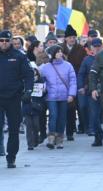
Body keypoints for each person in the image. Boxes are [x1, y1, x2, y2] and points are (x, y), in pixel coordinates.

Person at [0, 30, 34, 167]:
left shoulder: (19, 56)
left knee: (14, 129)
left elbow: (29, 74)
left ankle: (11, 157)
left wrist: (29, 90)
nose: (3, 43)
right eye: (1, 40)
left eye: (6, 41)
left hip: (14, 97)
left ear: (11, 42)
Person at [39, 45, 77, 149]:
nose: (60, 53)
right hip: (51, 96)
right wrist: (44, 88)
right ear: (52, 54)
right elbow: (40, 80)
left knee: (62, 117)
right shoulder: (45, 67)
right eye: (57, 52)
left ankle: (60, 138)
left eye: (61, 51)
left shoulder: (68, 65)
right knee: (53, 115)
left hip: (64, 96)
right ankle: (51, 137)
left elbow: (73, 81)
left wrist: (71, 94)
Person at [61, 25, 86, 140]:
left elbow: (84, 66)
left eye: (74, 37)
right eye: (70, 37)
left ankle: (78, 128)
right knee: (67, 107)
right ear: (65, 38)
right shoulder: (60, 49)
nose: (72, 39)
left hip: (77, 80)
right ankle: (67, 131)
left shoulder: (81, 49)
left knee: (78, 106)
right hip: (63, 82)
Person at [79, 38, 103, 146]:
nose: (97, 48)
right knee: (94, 116)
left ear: (102, 47)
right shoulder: (87, 60)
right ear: (91, 48)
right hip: (92, 92)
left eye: (99, 46)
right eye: (95, 46)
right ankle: (98, 136)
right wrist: (81, 86)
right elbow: (81, 74)